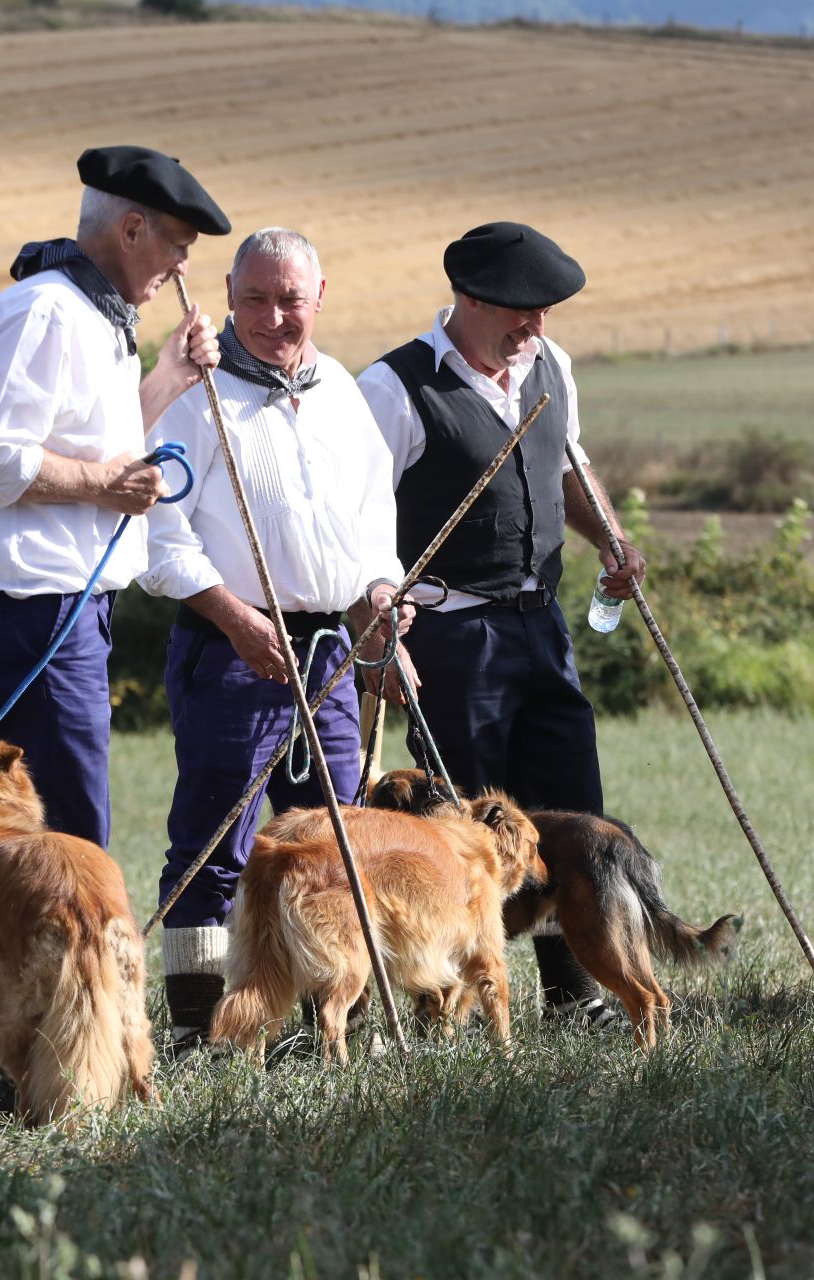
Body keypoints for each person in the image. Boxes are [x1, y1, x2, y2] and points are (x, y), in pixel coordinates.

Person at [356, 221, 648, 1031]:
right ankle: (449, 1002)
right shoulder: (392, 388)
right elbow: (356, 523)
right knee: (463, 823)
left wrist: (612, 541)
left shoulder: (550, 368)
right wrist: (378, 634)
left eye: (547, 312)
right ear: (471, 299)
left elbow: (568, 468)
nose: (537, 328)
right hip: (450, 635)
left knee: (567, 808)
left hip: (541, 625)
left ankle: (573, 994)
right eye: (523, 311)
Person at [140, 228, 408, 1055]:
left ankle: (328, 1023)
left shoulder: (341, 392)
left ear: (320, 296)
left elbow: (373, 525)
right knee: (219, 838)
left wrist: (381, 606)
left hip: (329, 652)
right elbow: (158, 530)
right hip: (230, 646)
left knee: (334, 837)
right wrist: (231, 615)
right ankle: (195, 1032)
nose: (272, 316)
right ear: (227, 294)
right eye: (254, 298)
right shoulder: (197, 391)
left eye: (290, 298)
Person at [0, 145, 228, 850]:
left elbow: (99, 443)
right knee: (67, 844)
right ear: (131, 231)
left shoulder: (99, 321)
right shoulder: (43, 312)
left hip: (63, 611)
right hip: (31, 611)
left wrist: (171, 378)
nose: (184, 266)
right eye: (178, 244)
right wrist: (106, 487)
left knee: (56, 839)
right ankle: (71, 962)